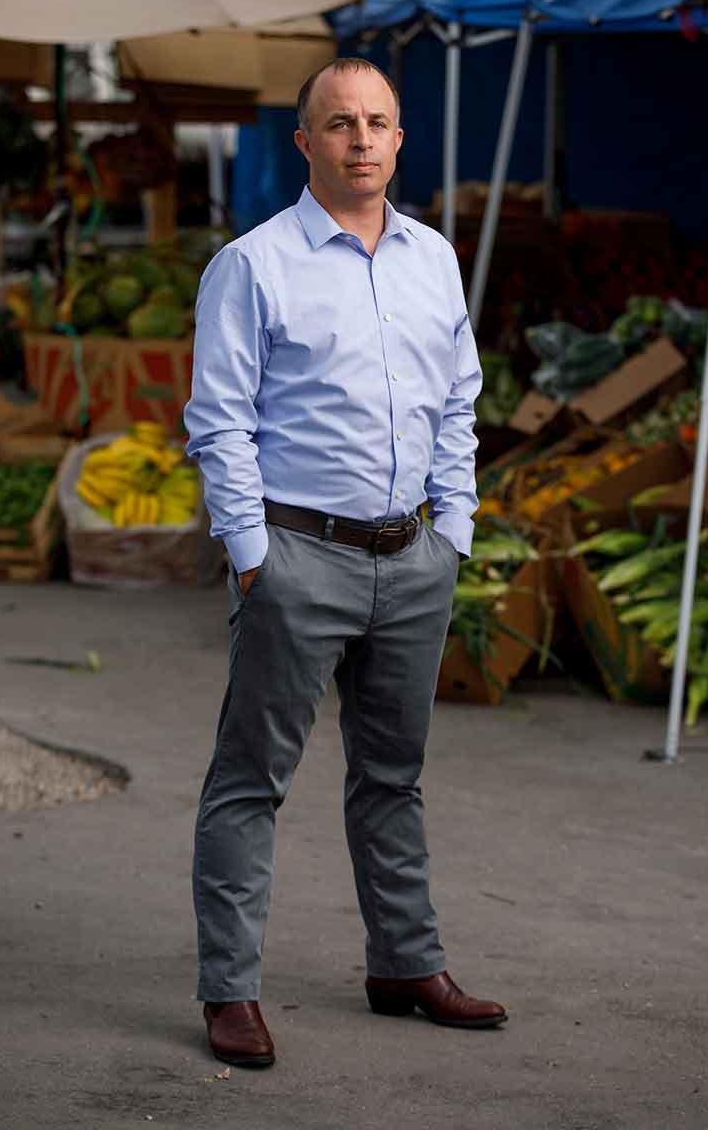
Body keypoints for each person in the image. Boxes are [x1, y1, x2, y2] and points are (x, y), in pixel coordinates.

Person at [184, 57, 507, 1069]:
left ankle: (404, 963)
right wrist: (251, 559)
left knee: (392, 777)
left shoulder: (433, 259)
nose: (360, 140)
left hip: (413, 556)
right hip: (298, 557)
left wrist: (451, 528)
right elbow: (218, 422)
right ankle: (230, 992)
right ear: (305, 142)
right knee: (250, 781)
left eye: (376, 123)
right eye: (338, 124)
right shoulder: (252, 265)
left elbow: (458, 399)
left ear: (399, 137)